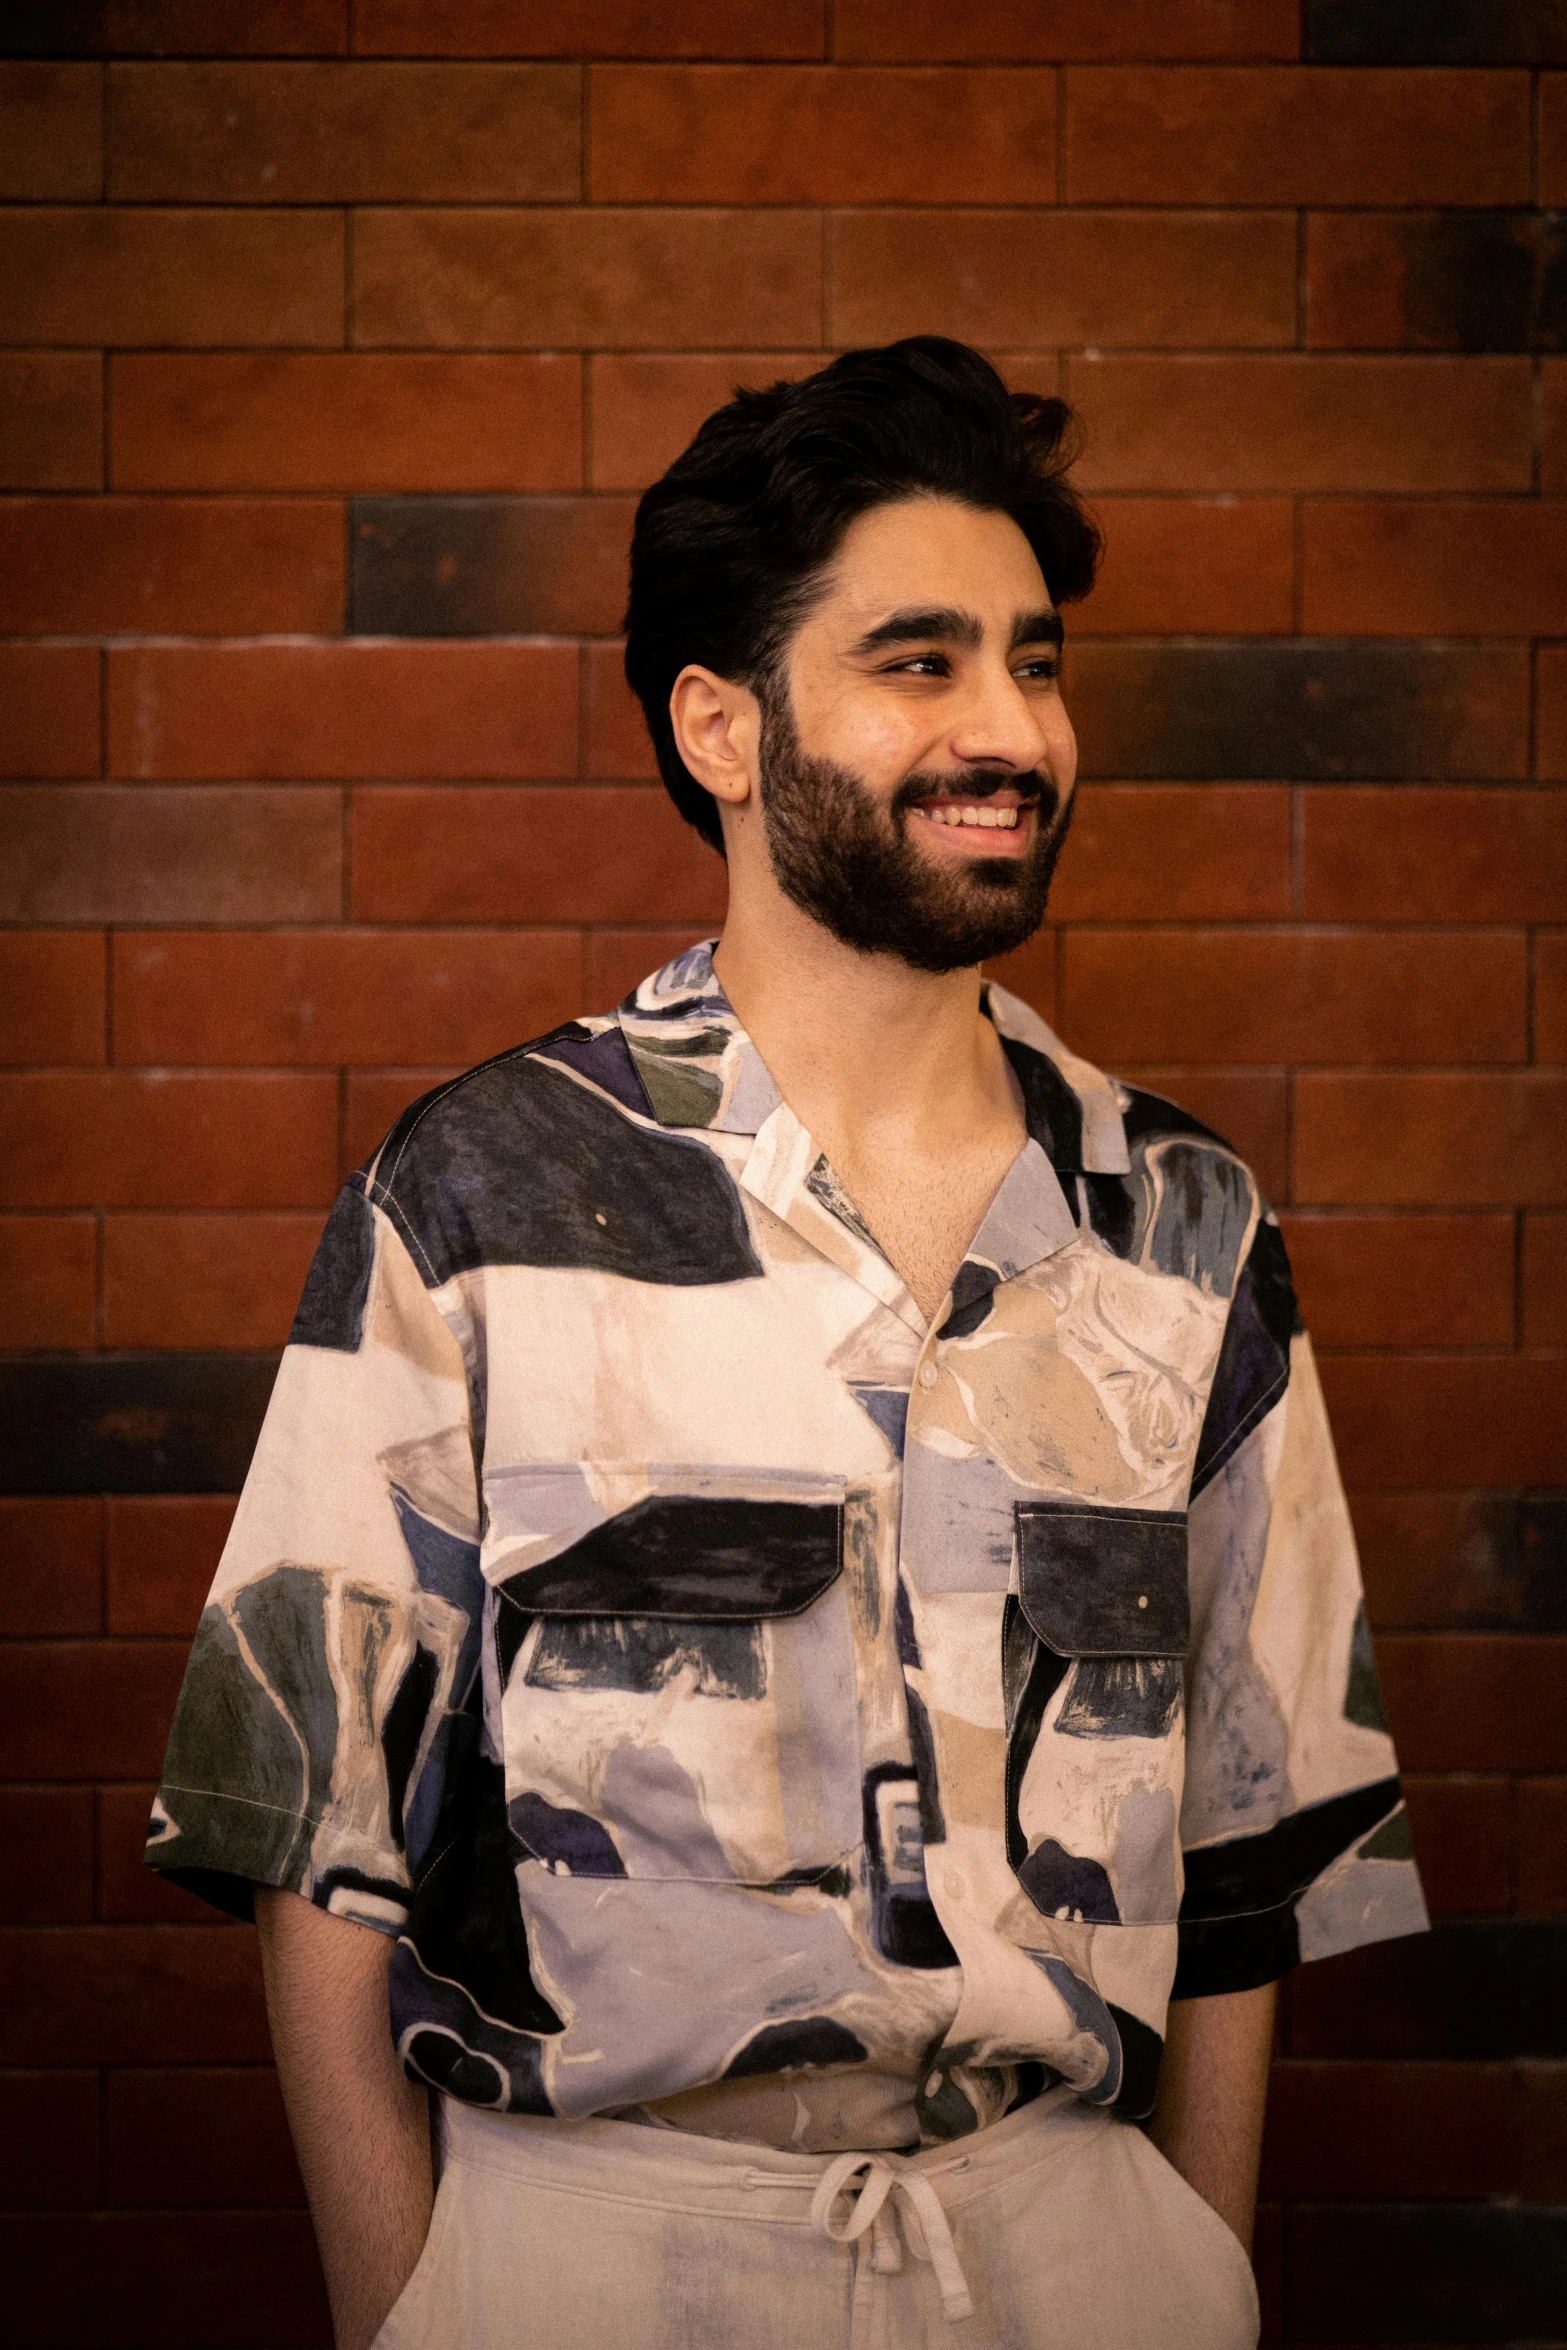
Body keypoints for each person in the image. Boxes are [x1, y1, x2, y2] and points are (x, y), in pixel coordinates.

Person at [147, 338, 1427, 2350]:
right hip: (593, 2250)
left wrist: (1199, 2256)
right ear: (724, 728)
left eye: (1035, 655)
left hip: (1076, 2243)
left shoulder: (1189, 1226)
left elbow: (1253, 1838)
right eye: (921, 662)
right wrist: (406, 2305)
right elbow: (309, 1825)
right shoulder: (481, 1193)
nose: (1011, 724)